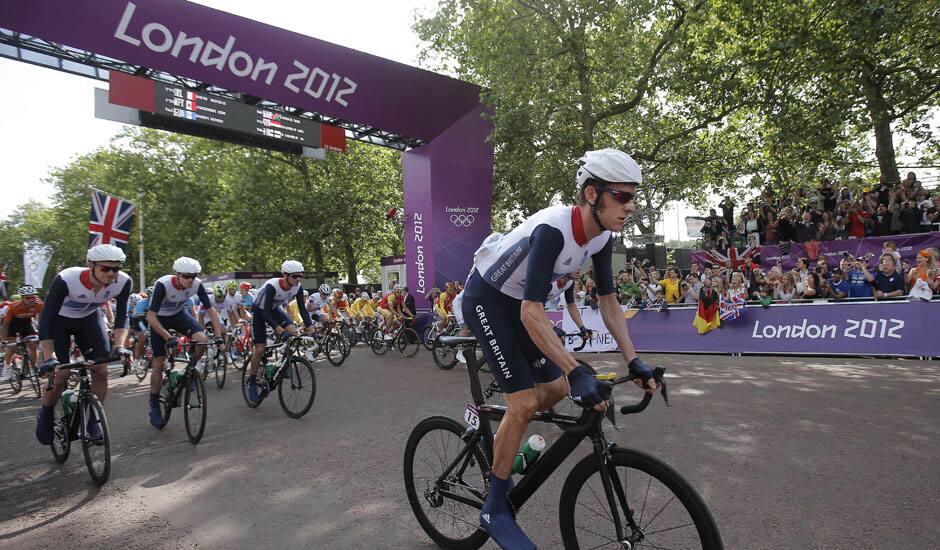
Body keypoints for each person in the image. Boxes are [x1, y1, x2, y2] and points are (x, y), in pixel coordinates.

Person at [460, 149, 657, 549]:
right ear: (591, 194)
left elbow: (608, 301)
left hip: (519, 305)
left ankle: (499, 445)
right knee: (524, 403)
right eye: (622, 196)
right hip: (488, 299)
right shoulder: (553, 230)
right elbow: (533, 312)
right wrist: (575, 367)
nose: (631, 206)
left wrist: (633, 359)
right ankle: (494, 509)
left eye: (632, 196)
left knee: (553, 393)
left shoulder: (602, 236)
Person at [35, 244, 133, 445]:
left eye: (116, 269)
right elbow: (46, 318)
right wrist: (48, 356)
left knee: (101, 370)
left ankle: (94, 419)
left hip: (89, 321)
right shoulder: (67, 279)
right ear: (91, 265)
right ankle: (46, 412)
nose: (111, 274)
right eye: (105, 268)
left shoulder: (123, 282)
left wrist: (120, 345)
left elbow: (122, 316)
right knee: (60, 375)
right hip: (58, 323)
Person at [145, 257, 223, 428]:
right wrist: (167, 337)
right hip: (159, 320)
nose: (190, 280)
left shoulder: (196, 284)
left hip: (179, 316)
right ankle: (154, 403)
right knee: (158, 363)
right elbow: (150, 316)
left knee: (203, 340)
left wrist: (218, 335)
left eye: (193, 276)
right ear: (176, 274)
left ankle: (191, 370)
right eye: (186, 276)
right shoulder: (163, 285)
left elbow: (211, 310)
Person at [245, 261, 314, 403]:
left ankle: (284, 363)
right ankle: (251, 382)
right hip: (260, 311)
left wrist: (313, 330)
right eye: (295, 276)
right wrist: (281, 331)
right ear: (285, 275)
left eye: (300, 276)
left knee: (293, 333)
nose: (298, 279)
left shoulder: (298, 288)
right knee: (260, 348)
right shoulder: (272, 286)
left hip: (275, 309)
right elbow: (266, 315)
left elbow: (303, 310)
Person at [0, 285, 43, 382]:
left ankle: (33, 369)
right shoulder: (13, 307)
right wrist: (3, 339)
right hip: (11, 326)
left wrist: (42, 333)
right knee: (12, 348)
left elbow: (42, 320)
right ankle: (7, 368)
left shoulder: (39, 304)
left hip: (26, 325)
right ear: (22, 298)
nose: (31, 300)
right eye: (28, 298)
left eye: (34, 297)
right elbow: (5, 324)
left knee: (32, 346)